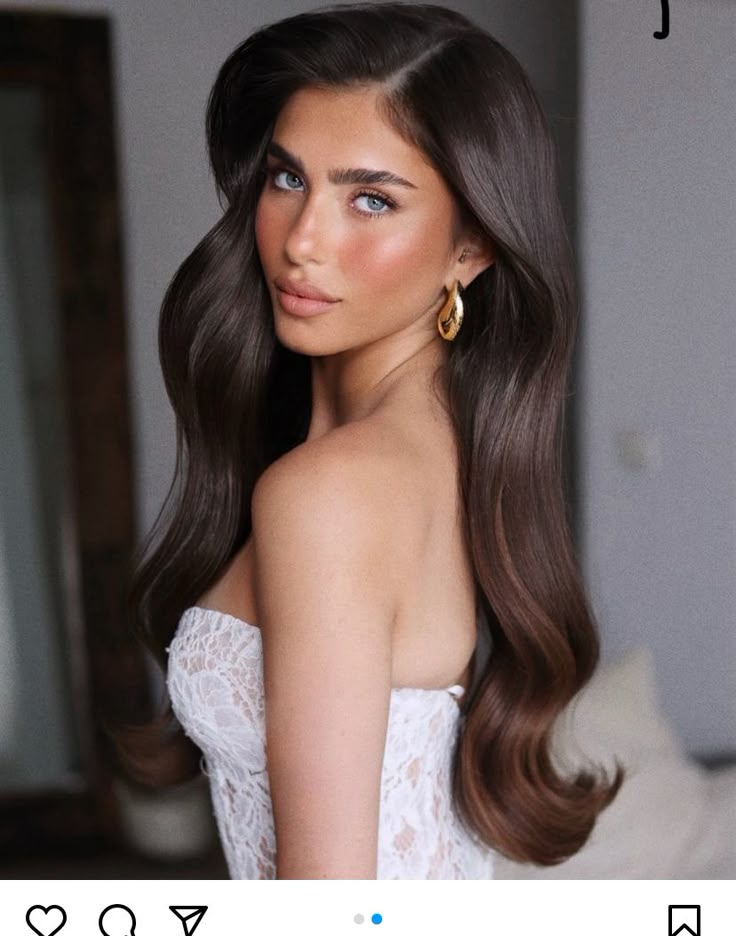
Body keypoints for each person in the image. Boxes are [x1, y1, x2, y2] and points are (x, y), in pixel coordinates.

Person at [117, 1, 624, 880]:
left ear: (471, 245)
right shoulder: (443, 458)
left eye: (370, 199)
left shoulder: (331, 493)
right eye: (286, 180)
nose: (303, 241)